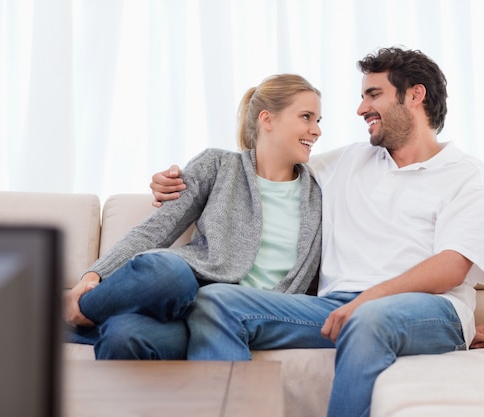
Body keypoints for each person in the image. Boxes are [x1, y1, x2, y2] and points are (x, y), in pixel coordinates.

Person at [150, 47, 484, 417]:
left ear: (415, 95)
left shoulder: (470, 175)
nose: (361, 108)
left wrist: (369, 301)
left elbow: (451, 267)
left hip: (429, 309)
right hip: (334, 309)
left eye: (374, 94)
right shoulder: (347, 162)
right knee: (216, 302)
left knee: (368, 320)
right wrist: (179, 183)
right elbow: (264, 163)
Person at [63, 73, 324, 360]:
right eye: (306, 117)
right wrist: (92, 275)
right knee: (158, 285)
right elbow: (155, 230)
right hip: (187, 304)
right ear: (267, 119)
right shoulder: (218, 165)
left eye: (318, 121)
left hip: (253, 317)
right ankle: (77, 308)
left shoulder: (322, 189)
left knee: (127, 328)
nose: (316, 130)